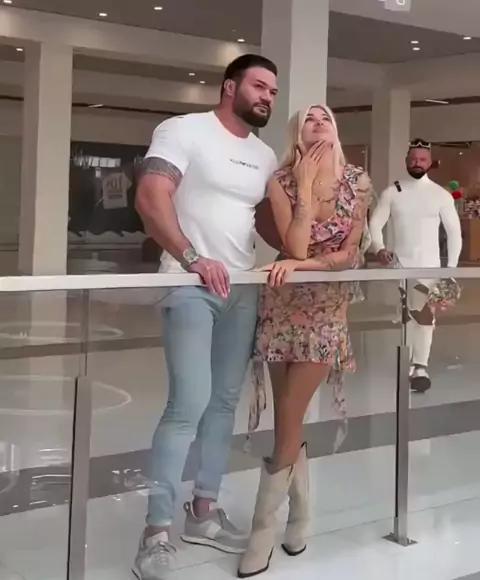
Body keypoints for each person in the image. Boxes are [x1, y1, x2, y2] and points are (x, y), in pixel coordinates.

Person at [133, 54, 278, 580]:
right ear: (229, 87)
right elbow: (150, 196)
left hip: (242, 288)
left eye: (272, 91)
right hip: (189, 282)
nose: (267, 97)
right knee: (187, 404)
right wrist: (192, 257)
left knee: (223, 404)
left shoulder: (264, 155)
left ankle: (203, 510)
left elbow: (271, 223)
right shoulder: (183, 130)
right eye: (259, 86)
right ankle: (156, 532)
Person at [237, 105, 373, 578]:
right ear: (297, 133)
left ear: (335, 129)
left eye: (325, 118)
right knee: (286, 416)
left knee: (290, 412)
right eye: (309, 119)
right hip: (281, 306)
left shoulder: (357, 182)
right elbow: (294, 244)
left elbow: (348, 254)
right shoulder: (281, 181)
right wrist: (305, 189)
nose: (318, 123)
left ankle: (262, 531)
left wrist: (301, 265)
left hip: (326, 309)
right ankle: (300, 514)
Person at [369, 138, 462, 393]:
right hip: (400, 267)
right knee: (408, 316)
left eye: (422, 159)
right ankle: (412, 363)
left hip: (429, 268)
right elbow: (375, 223)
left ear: (430, 162)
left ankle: (420, 365)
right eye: (412, 159)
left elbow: (454, 232)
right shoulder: (392, 192)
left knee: (424, 315)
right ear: (406, 161)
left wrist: (450, 270)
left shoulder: (440, 195)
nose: (417, 163)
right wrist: (379, 248)